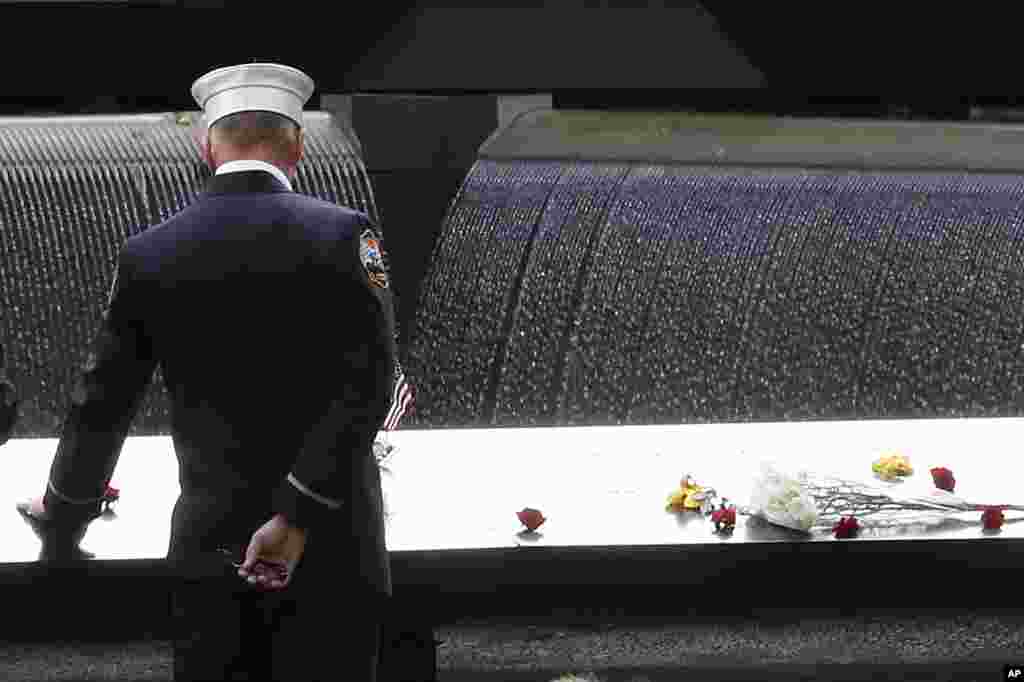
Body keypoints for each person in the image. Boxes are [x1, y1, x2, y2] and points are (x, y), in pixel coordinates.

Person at [16, 63, 397, 681]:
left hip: (210, 547)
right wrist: (295, 515)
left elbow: (103, 402)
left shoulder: (150, 252)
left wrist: (65, 505)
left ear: (206, 145)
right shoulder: (344, 235)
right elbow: (371, 385)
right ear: (298, 144)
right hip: (333, 548)